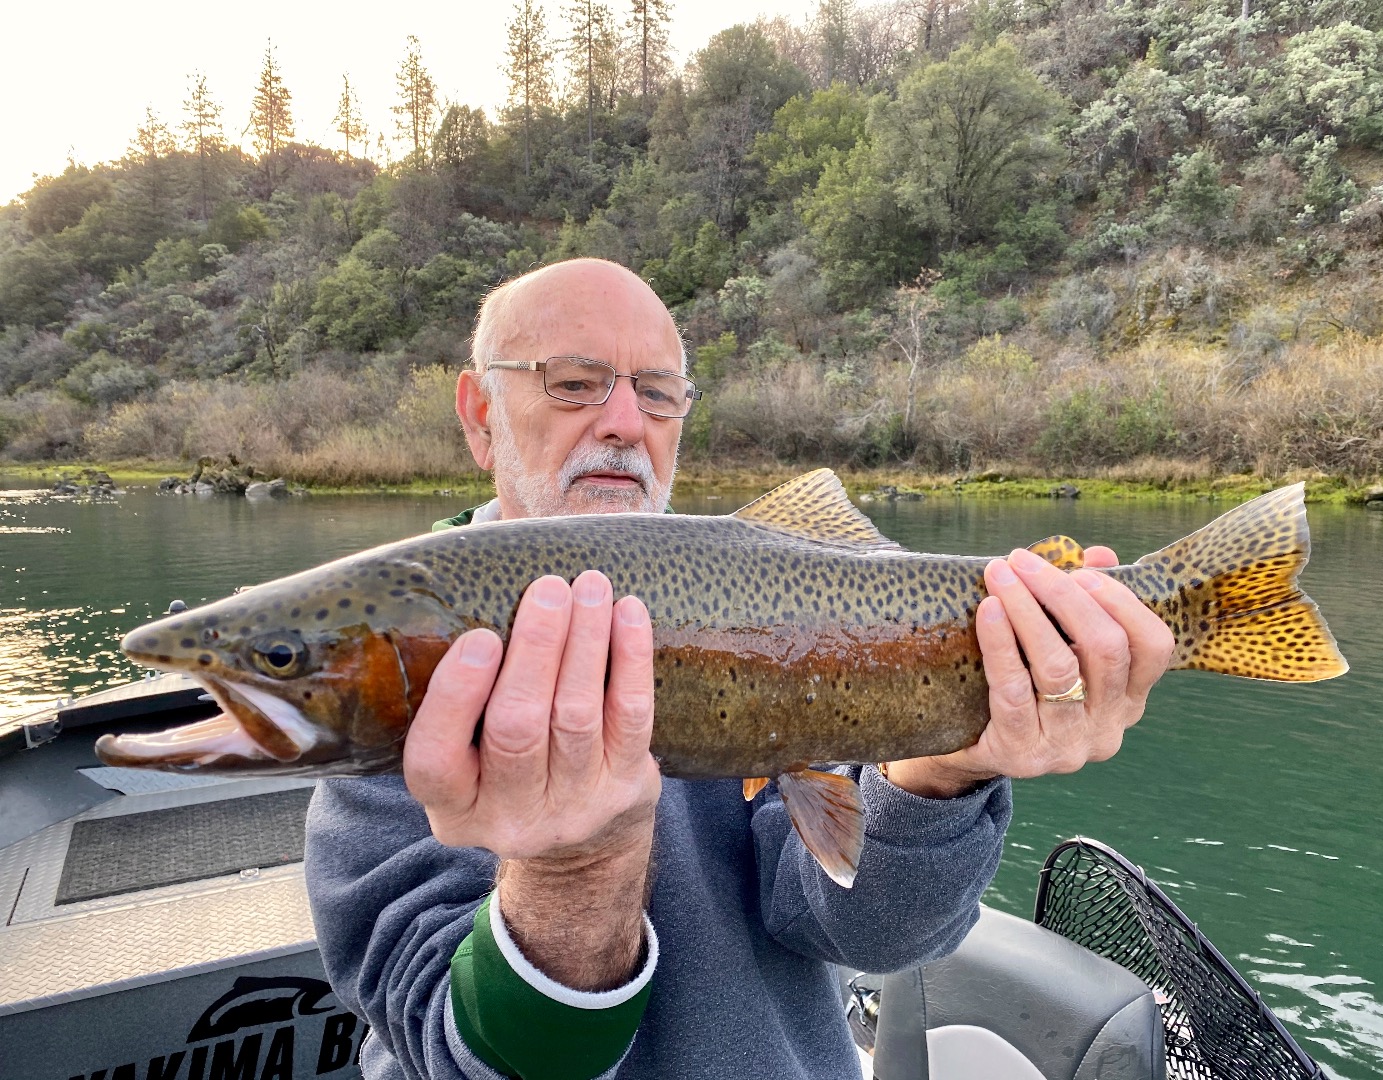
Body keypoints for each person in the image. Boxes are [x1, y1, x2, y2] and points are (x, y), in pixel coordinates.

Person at [305, 258, 1175, 1080]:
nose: (622, 421)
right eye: (572, 383)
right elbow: (458, 1055)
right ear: (479, 412)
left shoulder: (780, 604)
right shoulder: (407, 652)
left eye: (656, 393)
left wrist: (947, 765)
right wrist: (575, 870)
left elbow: (862, 928)